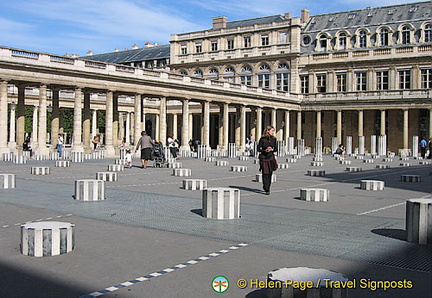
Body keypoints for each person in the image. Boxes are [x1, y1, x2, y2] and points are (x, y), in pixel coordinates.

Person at [258, 125, 278, 195]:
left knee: (270, 173)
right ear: (268, 131)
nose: (273, 132)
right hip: (264, 158)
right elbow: (258, 149)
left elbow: (276, 149)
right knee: (265, 173)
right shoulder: (262, 139)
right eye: (272, 130)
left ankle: (268, 187)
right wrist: (265, 150)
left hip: (271, 158)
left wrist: (272, 149)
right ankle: (266, 188)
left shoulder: (274, 139)